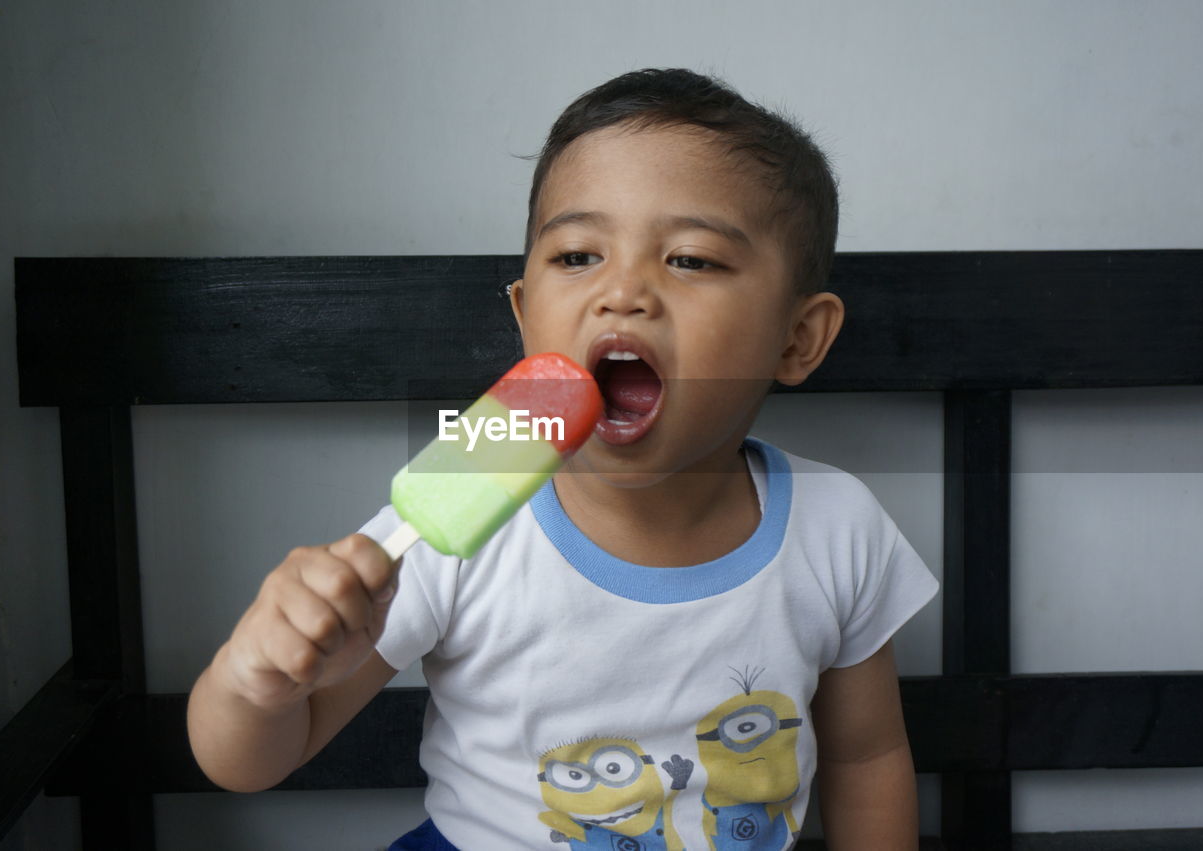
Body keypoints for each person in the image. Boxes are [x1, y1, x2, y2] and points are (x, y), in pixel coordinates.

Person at [187, 66, 939, 850]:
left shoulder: (838, 528)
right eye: (578, 255)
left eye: (690, 259)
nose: (623, 292)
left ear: (798, 337)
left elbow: (868, 758)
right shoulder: (458, 529)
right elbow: (247, 761)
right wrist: (256, 679)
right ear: (524, 315)